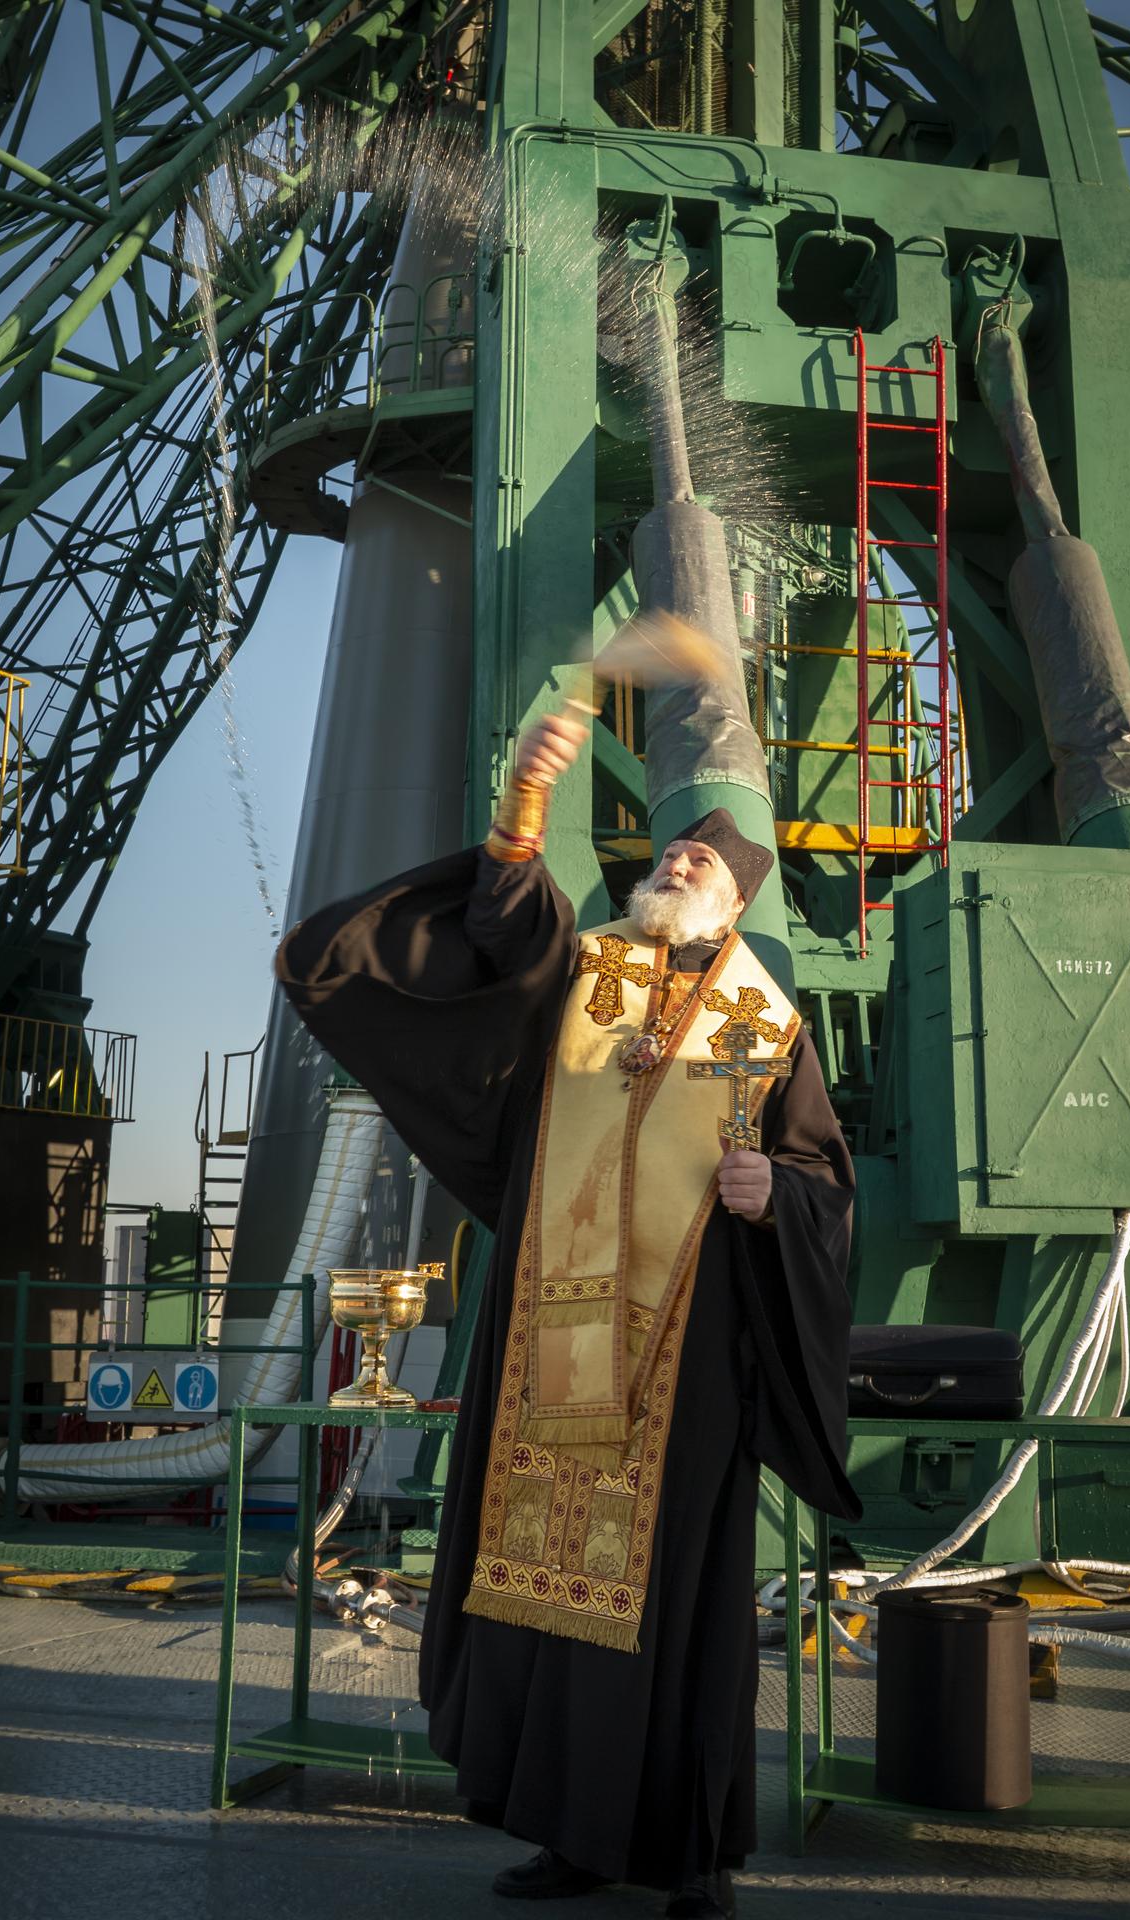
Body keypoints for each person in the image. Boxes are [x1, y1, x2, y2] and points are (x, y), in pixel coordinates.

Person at [276, 706, 858, 1920]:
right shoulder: (588, 973)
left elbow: (819, 1181)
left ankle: (691, 1857)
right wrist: (521, 815)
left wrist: (771, 1197)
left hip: (685, 1366)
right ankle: (570, 1836)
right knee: (541, 1594)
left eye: (697, 862)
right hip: (551, 1337)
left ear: (732, 903)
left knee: (675, 1606)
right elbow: (503, 934)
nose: (674, 866)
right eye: (668, 856)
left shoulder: (767, 1027)